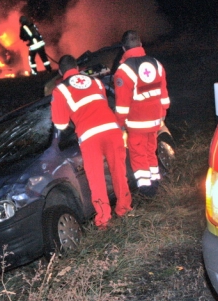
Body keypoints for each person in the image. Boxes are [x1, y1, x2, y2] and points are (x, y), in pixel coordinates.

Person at [51, 55, 132, 229]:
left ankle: (104, 220)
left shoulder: (60, 90)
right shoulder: (94, 81)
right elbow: (101, 101)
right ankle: (125, 209)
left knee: (96, 179)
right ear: (77, 67)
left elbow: (60, 123)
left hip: (90, 136)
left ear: (60, 72)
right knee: (119, 171)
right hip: (112, 129)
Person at [113, 30, 170, 197]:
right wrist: (162, 114)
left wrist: (120, 124)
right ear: (141, 44)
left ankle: (146, 189)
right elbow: (164, 95)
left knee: (138, 155)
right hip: (155, 121)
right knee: (151, 151)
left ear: (123, 48)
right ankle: (156, 181)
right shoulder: (157, 64)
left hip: (136, 123)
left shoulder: (123, 71)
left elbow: (122, 105)